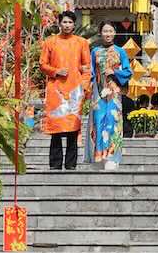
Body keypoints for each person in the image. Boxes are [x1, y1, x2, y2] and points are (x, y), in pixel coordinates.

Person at [40, 11, 91, 170]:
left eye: (70, 22)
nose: (67, 25)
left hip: (75, 90)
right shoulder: (50, 42)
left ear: (74, 25)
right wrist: (55, 71)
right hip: (56, 90)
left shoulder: (82, 42)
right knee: (56, 128)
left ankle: (71, 164)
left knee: (73, 128)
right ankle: (55, 164)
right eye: (64, 22)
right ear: (59, 23)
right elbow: (42, 64)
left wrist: (84, 87)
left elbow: (87, 67)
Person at [85, 23, 132, 170]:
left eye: (110, 31)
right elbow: (91, 72)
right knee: (98, 122)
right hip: (98, 93)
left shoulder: (120, 51)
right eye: (105, 31)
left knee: (113, 122)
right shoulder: (95, 51)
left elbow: (128, 72)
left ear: (115, 33)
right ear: (100, 33)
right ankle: (99, 156)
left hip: (114, 93)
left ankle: (112, 157)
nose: (108, 34)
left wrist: (115, 72)